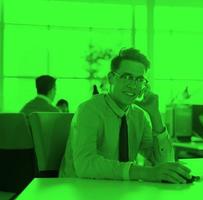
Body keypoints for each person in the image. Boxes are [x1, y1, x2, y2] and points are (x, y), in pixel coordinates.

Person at [59, 48, 191, 184]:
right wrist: (146, 172)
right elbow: (85, 165)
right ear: (111, 78)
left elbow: (165, 163)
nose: (133, 86)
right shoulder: (88, 110)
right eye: (127, 77)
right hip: (78, 189)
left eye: (139, 79)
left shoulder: (139, 116)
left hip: (119, 191)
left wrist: (155, 114)